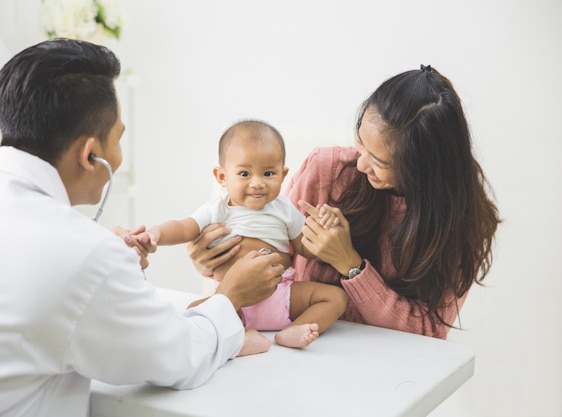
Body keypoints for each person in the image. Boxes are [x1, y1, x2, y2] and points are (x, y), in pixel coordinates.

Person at [0, 39, 284, 417]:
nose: (118, 155)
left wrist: (101, 259)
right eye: (118, 138)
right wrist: (230, 295)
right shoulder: (84, 254)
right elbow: (181, 358)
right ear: (90, 156)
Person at [187, 65, 501, 340]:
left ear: (424, 167)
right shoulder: (329, 170)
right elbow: (271, 249)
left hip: (389, 368)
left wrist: (350, 265)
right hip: (299, 352)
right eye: (360, 143)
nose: (361, 165)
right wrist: (212, 262)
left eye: (379, 161)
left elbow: (429, 331)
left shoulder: (461, 221)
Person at [137, 120, 348, 352]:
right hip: (233, 299)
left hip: (282, 293)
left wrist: (323, 229)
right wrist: (155, 233)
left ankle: (294, 330)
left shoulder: (285, 209)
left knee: (336, 297)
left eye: (268, 173)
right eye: (245, 173)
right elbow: (184, 227)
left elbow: (306, 249)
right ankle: (242, 337)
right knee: (192, 312)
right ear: (222, 177)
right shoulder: (218, 209)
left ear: (283, 174)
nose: (257, 183)